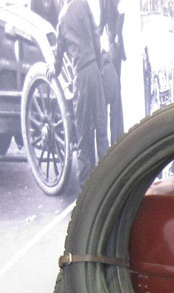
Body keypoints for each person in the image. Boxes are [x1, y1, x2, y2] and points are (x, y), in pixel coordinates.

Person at [54, 0, 108, 187]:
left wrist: (54, 69)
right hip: (94, 70)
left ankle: (86, 187)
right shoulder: (83, 4)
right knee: (101, 131)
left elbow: (59, 51)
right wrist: (99, 67)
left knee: (84, 134)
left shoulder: (63, 17)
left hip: (81, 76)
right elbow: (96, 36)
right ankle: (107, 181)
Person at [98, 0, 124, 142]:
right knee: (115, 97)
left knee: (114, 96)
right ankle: (117, 138)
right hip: (114, 48)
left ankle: (116, 138)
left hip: (112, 48)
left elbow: (102, 23)